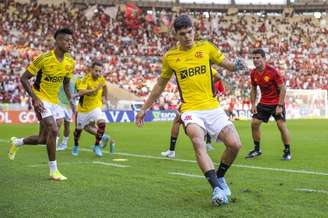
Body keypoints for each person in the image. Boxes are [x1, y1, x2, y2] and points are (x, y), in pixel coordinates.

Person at [136, 15, 247, 206]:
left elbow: (227, 64)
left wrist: (238, 66)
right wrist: (144, 108)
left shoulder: (206, 47)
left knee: (235, 144)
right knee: (198, 141)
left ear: (194, 30)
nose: (187, 36)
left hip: (212, 106)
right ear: (176, 35)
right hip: (190, 109)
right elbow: (160, 85)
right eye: (182, 34)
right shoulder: (171, 57)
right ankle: (217, 190)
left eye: (190, 32)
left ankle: (219, 178)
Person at [8, 28, 76, 181]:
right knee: (53, 130)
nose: (70, 43)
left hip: (54, 101)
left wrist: (71, 101)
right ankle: (54, 171)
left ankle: (17, 142)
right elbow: (24, 78)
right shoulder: (44, 58)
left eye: (71, 41)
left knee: (43, 139)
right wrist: (35, 98)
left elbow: (66, 84)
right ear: (57, 41)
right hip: (40, 98)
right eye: (66, 40)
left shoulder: (70, 62)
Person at [245, 48, 292, 160]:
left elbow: (283, 89)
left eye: (258, 58)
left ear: (264, 59)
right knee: (254, 124)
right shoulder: (253, 73)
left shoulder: (273, 71)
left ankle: (287, 151)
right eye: (254, 58)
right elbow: (253, 89)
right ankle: (257, 150)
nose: (255, 60)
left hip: (276, 103)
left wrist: (280, 106)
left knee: (281, 125)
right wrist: (252, 104)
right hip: (264, 103)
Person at [71, 61, 115, 157]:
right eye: (96, 71)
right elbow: (82, 91)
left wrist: (105, 98)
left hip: (95, 107)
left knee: (102, 124)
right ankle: (76, 145)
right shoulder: (84, 79)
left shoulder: (101, 79)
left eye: (100, 71)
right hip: (83, 110)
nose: (98, 73)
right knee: (78, 131)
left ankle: (96, 146)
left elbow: (105, 87)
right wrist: (94, 90)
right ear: (91, 69)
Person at [56, 77, 77, 151]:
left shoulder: (75, 79)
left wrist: (74, 102)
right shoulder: (60, 76)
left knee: (67, 124)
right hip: (59, 103)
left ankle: (64, 143)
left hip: (69, 105)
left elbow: (77, 91)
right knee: (58, 122)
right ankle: (55, 143)